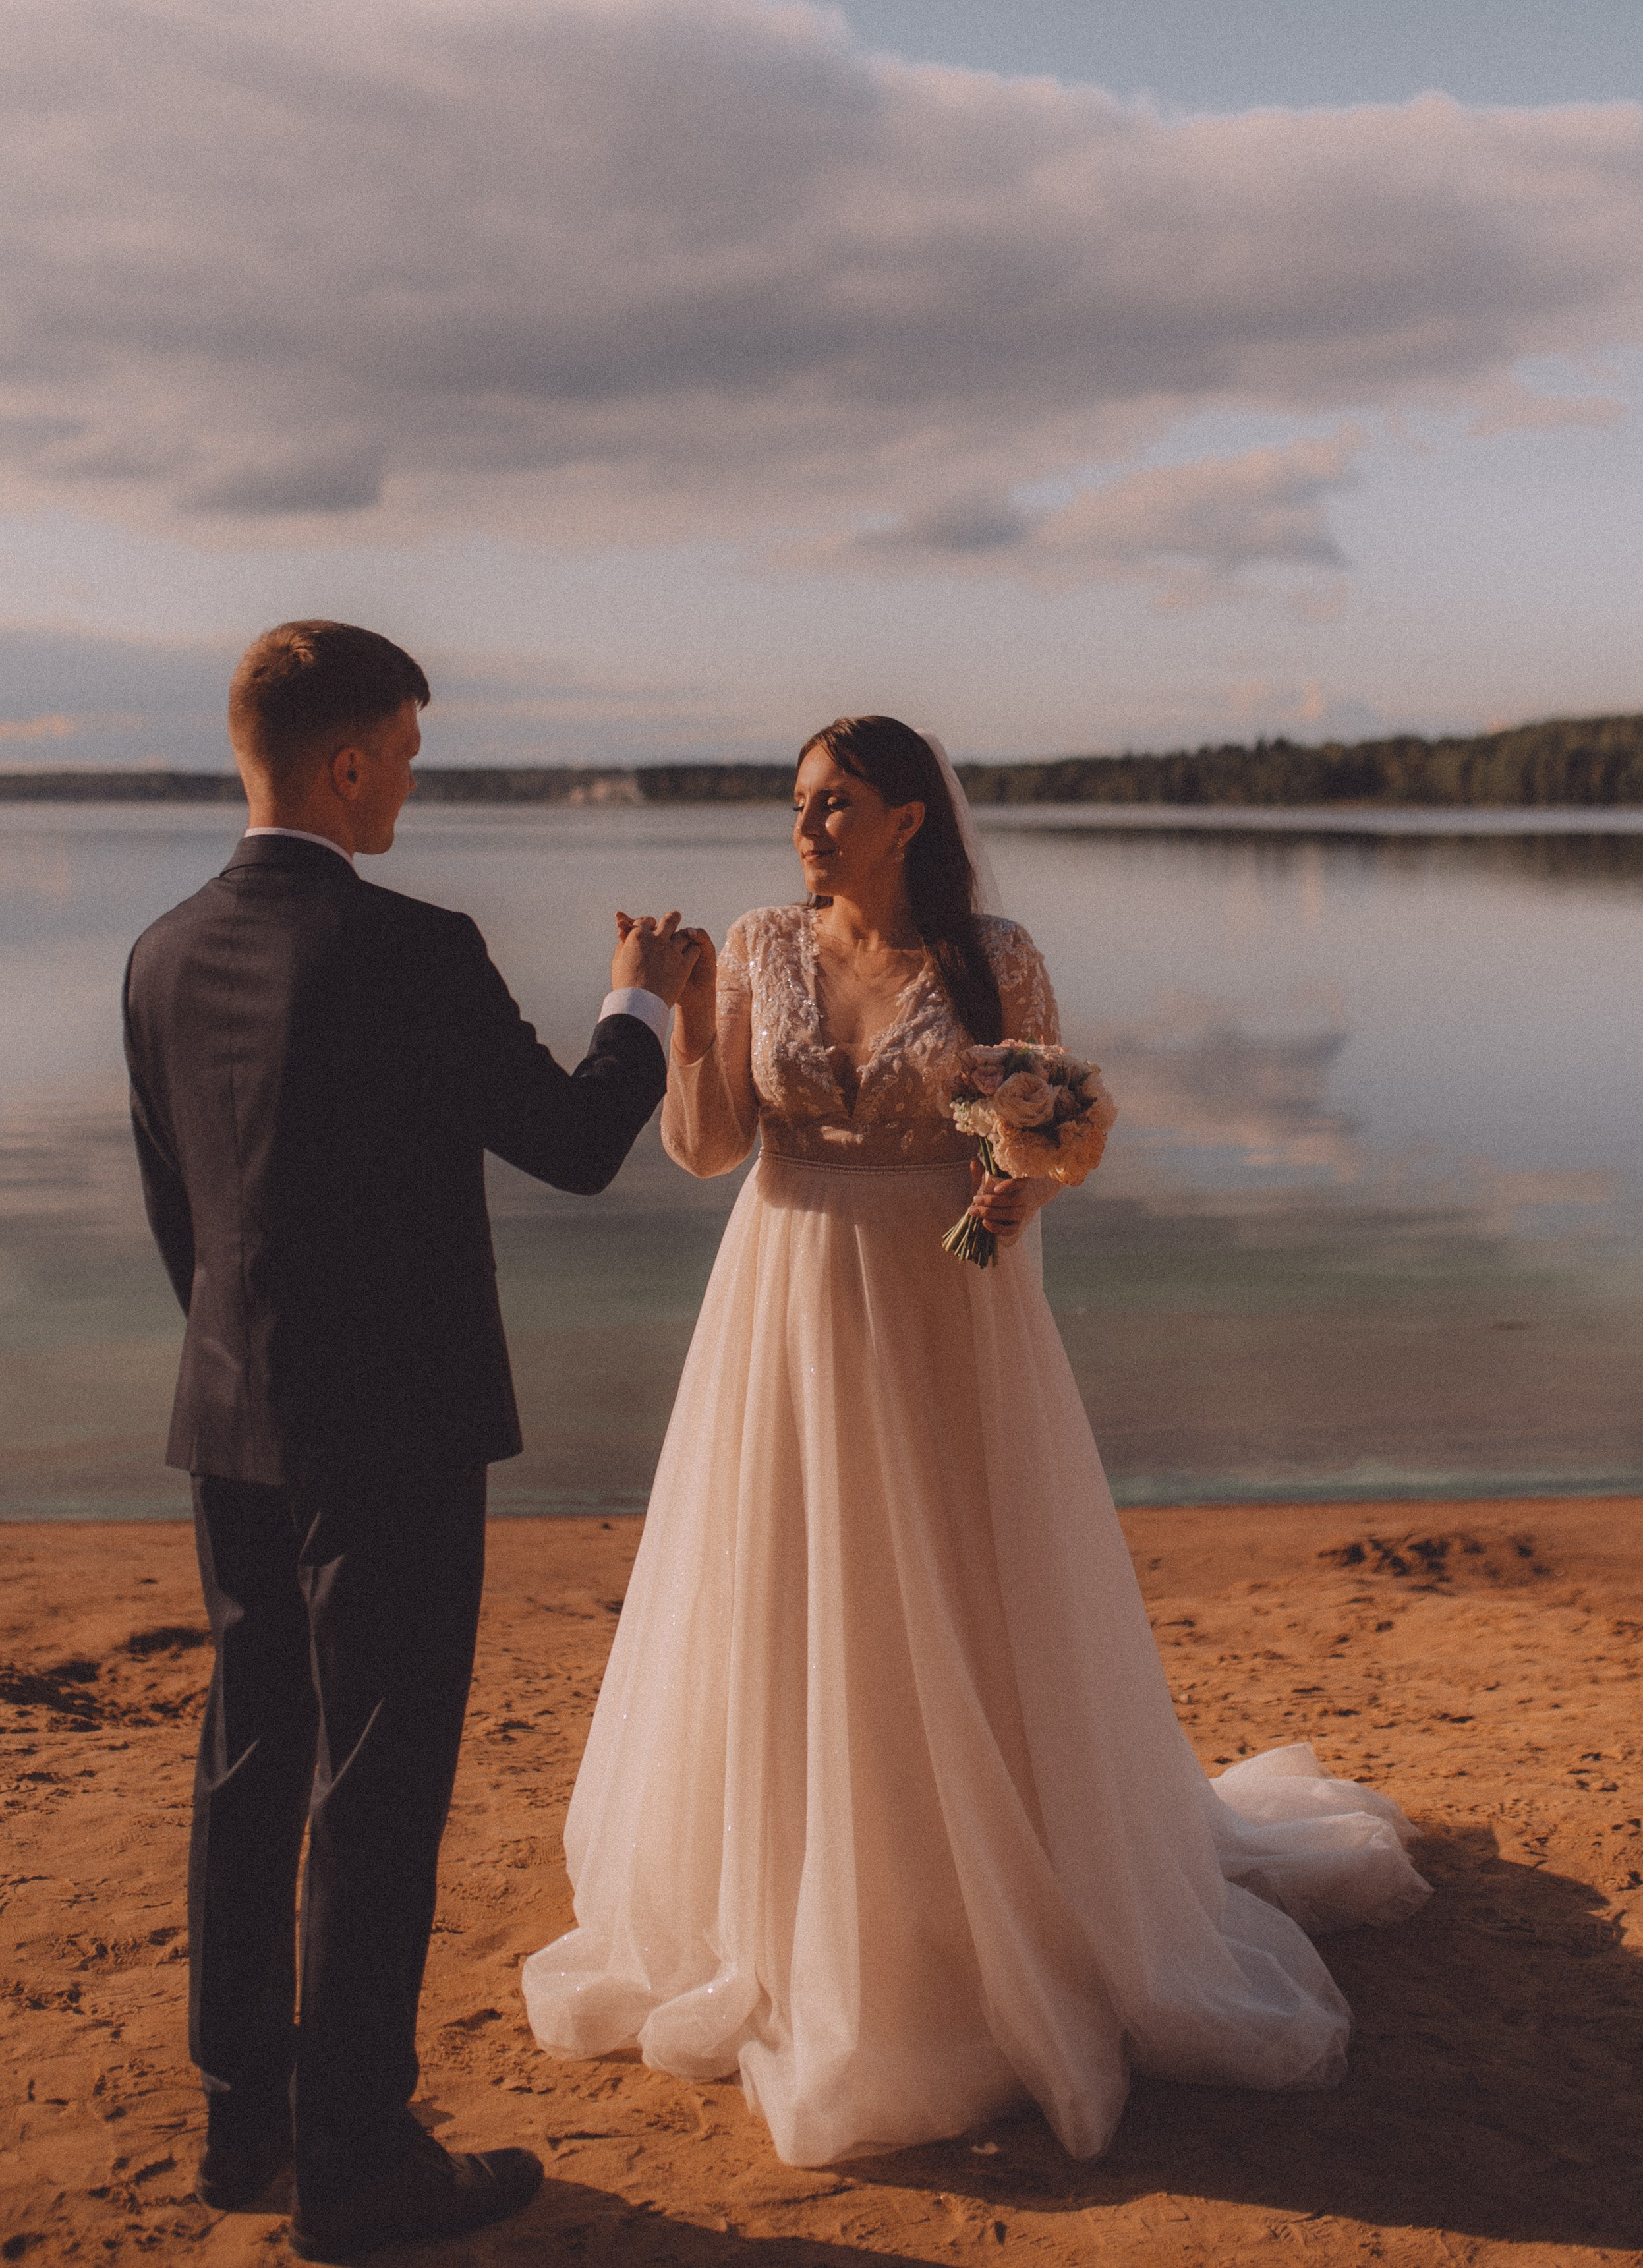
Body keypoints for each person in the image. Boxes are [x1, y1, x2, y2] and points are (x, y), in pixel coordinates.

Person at [521, 714, 1428, 2169]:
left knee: (956, 1579)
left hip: (950, 1310)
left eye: (835, 804)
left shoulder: (989, 956)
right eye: (799, 802)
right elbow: (701, 1147)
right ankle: (814, 1901)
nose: (806, 825)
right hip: (789, 1295)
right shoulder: (757, 943)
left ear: (906, 821)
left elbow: (1039, 1131)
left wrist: (1019, 1188)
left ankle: (996, 1886)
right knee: (799, 1585)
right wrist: (685, 1014)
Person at [123, 620, 701, 2261]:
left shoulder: (161, 951)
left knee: (247, 1760)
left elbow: (189, 1217)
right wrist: (637, 1000)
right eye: (410, 757)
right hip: (395, 1432)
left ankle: (247, 2121)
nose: (412, 790)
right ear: (351, 761)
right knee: (373, 1786)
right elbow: (581, 1142)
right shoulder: (411, 946)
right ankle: (358, 2160)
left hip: (232, 1413)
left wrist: (249, 1363)